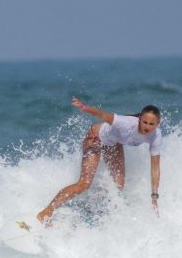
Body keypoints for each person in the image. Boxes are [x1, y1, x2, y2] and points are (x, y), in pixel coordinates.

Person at [37, 96, 162, 224]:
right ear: (140, 119)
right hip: (95, 138)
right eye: (144, 122)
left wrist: (154, 195)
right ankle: (46, 212)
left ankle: (92, 209)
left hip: (113, 143)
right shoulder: (126, 123)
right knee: (84, 183)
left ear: (158, 124)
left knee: (118, 186)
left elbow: (155, 168)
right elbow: (103, 115)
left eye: (151, 124)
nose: (147, 126)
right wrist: (84, 107)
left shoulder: (156, 136)